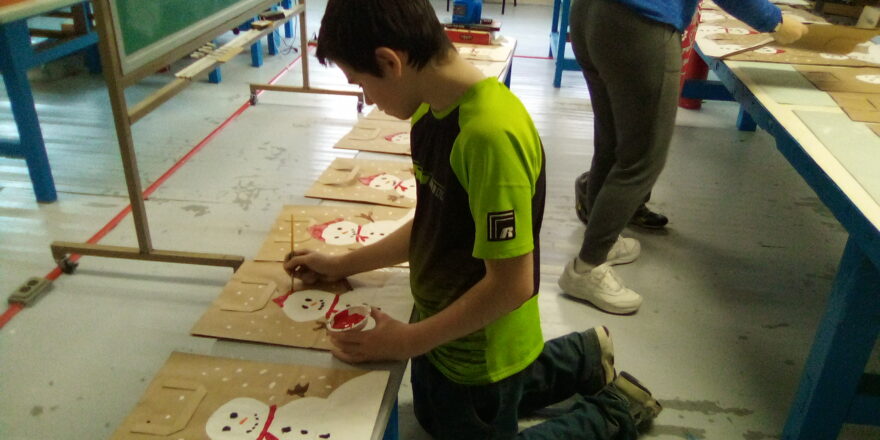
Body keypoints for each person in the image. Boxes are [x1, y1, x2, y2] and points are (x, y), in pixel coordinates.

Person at [285, 0, 661, 438]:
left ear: (390, 62)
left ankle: (614, 412)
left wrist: (406, 340)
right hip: (442, 333)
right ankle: (583, 356)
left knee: (475, 410)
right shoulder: (430, 110)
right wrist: (341, 263)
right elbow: (432, 221)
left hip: (479, 351)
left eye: (362, 84)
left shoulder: (489, 136)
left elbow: (512, 284)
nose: (368, 99)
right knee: (436, 417)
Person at [559, 0, 808, 315]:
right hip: (639, 22)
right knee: (641, 158)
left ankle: (603, 241)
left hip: (591, 13)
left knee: (612, 143)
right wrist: (774, 21)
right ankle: (587, 268)